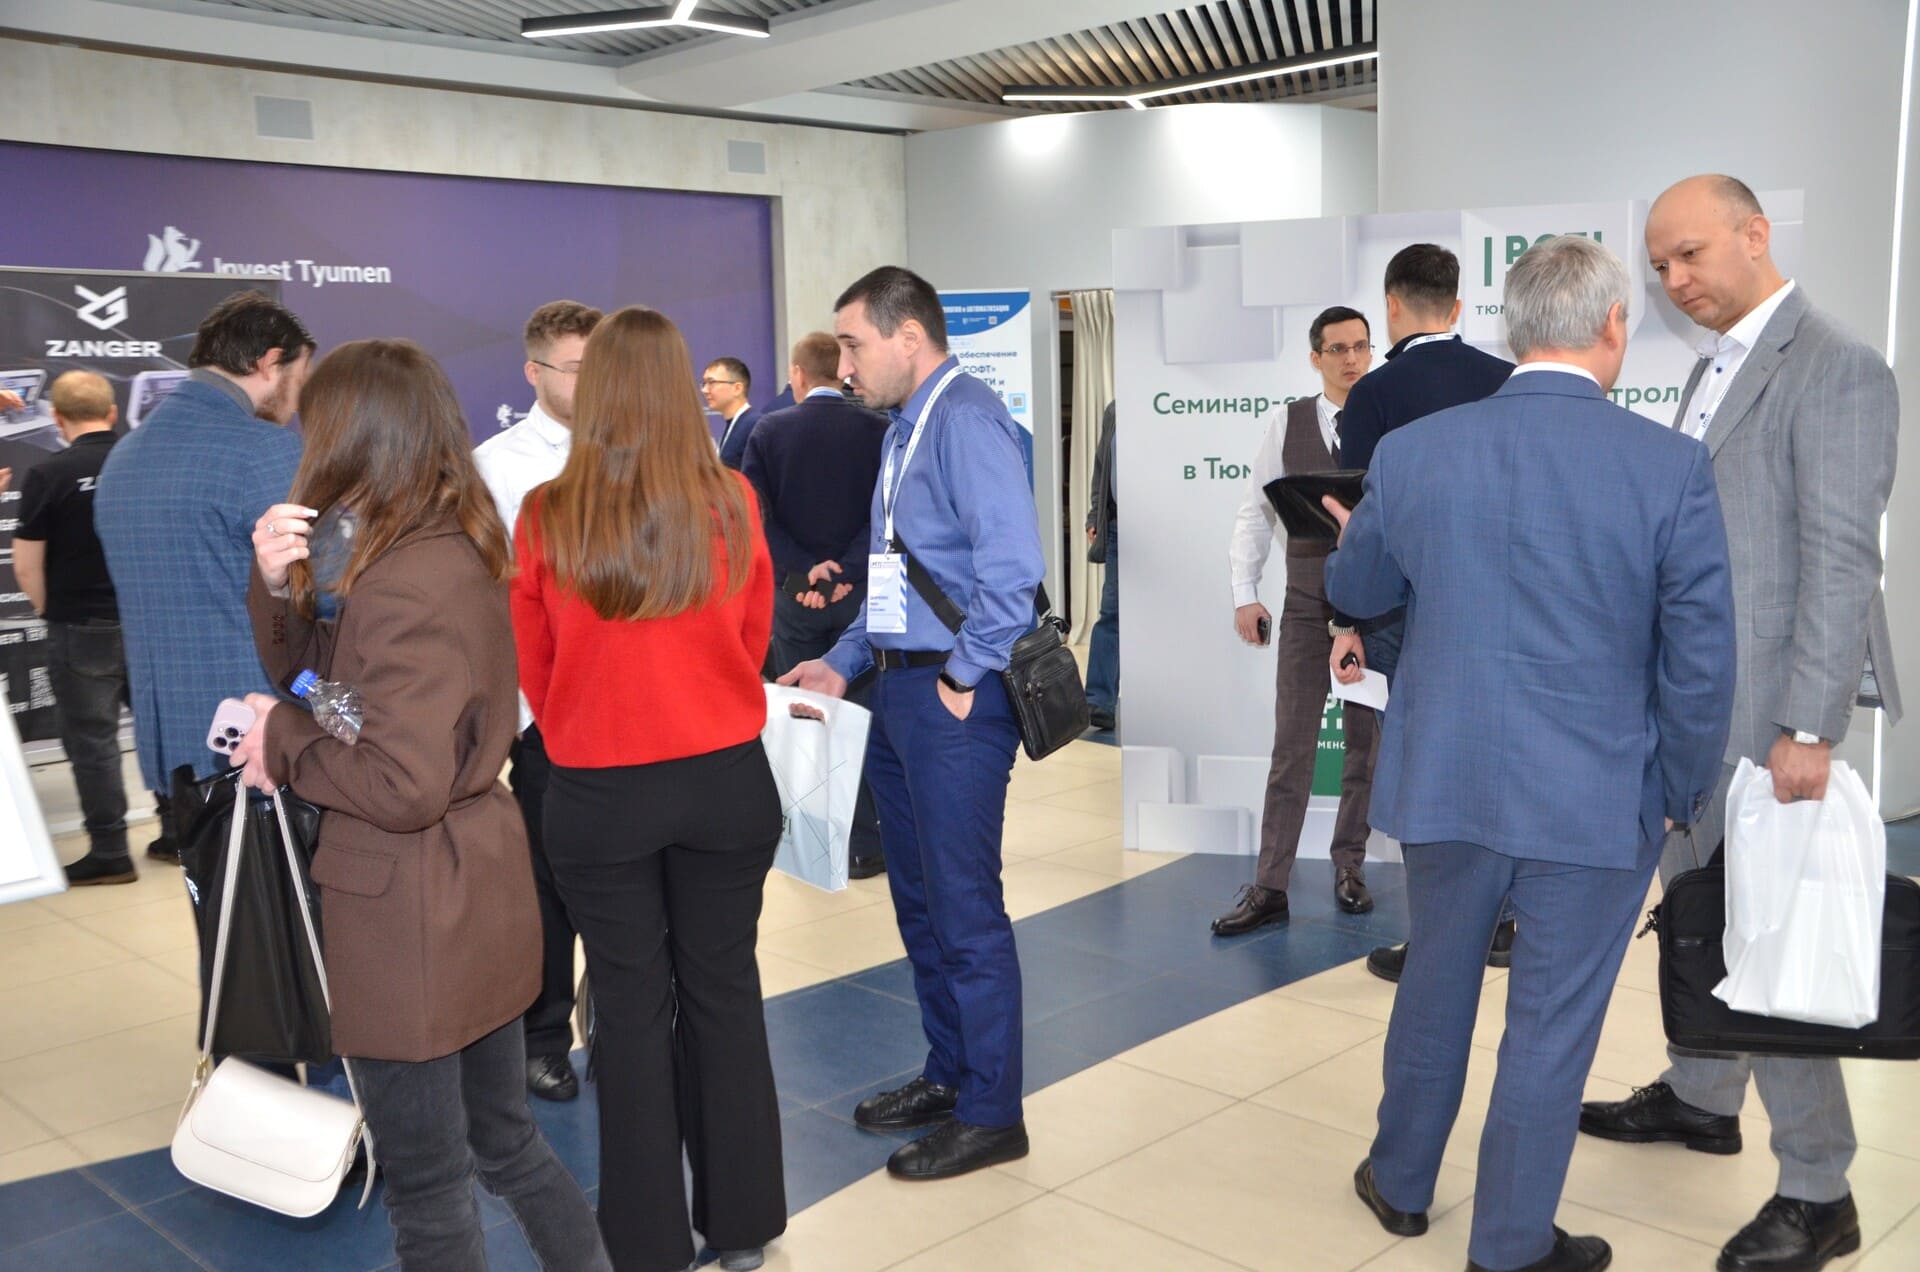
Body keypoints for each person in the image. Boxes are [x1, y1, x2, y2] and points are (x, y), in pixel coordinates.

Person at [1329, 236, 1735, 1272]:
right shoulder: (1669, 466)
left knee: (1435, 987)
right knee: (1551, 1029)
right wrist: (1680, 790)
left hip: (1448, 778)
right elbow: (1699, 661)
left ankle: (1401, 1183)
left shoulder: (1415, 452)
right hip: (1598, 796)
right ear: (1614, 327)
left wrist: (1356, 542)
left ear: (1512, 328)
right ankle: (1509, 1245)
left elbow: (1357, 591)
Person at [1578, 175, 1903, 1272]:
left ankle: (1819, 1189)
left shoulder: (1837, 365)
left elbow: (1842, 560)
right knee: (1702, 917)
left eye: (1691, 255)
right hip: (1693, 713)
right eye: (1660, 265)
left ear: (1755, 236)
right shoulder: (1715, 365)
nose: (1674, 279)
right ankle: (1703, 1095)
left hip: (1769, 722)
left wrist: (1809, 725)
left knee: (1774, 945)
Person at [230, 339, 609, 1272]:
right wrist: (277, 593)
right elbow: (335, 692)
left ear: (354, 434)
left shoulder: (401, 578)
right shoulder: (448, 544)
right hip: (469, 887)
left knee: (430, 1188)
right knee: (507, 1146)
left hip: (409, 910)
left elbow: (399, 784)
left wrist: (282, 740)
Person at [513, 306, 785, 1272]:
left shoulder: (549, 513)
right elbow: (752, 640)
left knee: (628, 1007)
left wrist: (591, 727)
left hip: (598, 789)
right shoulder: (731, 500)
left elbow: (537, 669)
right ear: (678, 387)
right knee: (724, 988)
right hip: (724, 779)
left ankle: (644, 1241)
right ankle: (743, 1223)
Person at [781, 266, 1043, 1181]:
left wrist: (965, 675)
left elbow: (1013, 570)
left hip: (951, 701)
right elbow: (896, 576)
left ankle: (992, 1113)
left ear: (908, 336)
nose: (845, 365)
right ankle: (950, 1072)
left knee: (964, 907)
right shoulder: (903, 428)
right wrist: (844, 659)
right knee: (922, 900)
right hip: (897, 693)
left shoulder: (964, 419)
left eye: (853, 345)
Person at [1333, 244, 1517, 983]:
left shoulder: (1373, 394)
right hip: (1507, 612)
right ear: (1458, 305)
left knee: (1426, 778)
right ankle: (1503, 923)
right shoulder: (1506, 380)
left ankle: (1439, 941)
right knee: (1498, 766)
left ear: (1392, 306)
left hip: (1411, 617)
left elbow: (1360, 524)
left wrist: (1347, 623)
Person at [94, 290, 310, 861]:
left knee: (220, 906)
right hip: (261, 737)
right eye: (299, 378)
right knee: (286, 909)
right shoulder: (264, 451)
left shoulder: (124, 456)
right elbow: (321, 591)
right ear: (270, 363)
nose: (297, 400)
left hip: (174, 738)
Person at [1214, 306, 1380, 935]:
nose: (1351, 359)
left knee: (1366, 745)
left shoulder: (1387, 419)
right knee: (1292, 748)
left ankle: (1350, 866)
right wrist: (1244, 591)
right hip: (1308, 606)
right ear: (1316, 358)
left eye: (1361, 346)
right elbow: (1255, 511)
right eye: (1338, 348)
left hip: (1375, 609)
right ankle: (1271, 885)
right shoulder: (1286, 422)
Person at [474, 298, 603, 1104]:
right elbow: (489, 601)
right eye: (578, 368)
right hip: (548, 717)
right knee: (547, 891)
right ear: (534, 371)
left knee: (626, 887)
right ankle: (544, 1037)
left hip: (631, 714)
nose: (595, 383)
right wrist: (523, 720)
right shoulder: (496, 467)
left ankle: (619, 1027)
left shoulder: (635, 450)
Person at [742, 330, 890, 878]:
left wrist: (804, 571)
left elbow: (755, 514)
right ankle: (868, 844)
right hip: (862, 602)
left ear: (797, 374)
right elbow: (886, 511)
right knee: (863, 715)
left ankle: (810, 845)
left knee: (802, 717)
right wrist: (845, 571)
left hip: (794, 597)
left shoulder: (768, 429)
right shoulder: (879, 428)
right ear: (843, 371)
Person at [13, 372, 133, 885]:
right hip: (147, 623)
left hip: (80, 625)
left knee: (92, 741)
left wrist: (51, 611)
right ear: (112, 412)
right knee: (158, 728)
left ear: (56, 418)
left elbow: (26, 566)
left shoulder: (48, 473)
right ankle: (178, 834)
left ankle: (110, 851)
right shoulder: (143, 462)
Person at [1083, 401, 1119, 732]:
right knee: (1112, 614)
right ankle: (1098, 701)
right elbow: (1101, 469)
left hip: (1166, 527)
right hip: (1119, 526)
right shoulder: (1115, 411)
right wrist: (1096, 515)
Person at [703, 355, 760, 469]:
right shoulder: (735, 424)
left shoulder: (755, 425)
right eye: (704, 383)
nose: (704, 390)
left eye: (711, 382)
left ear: (737, 388)